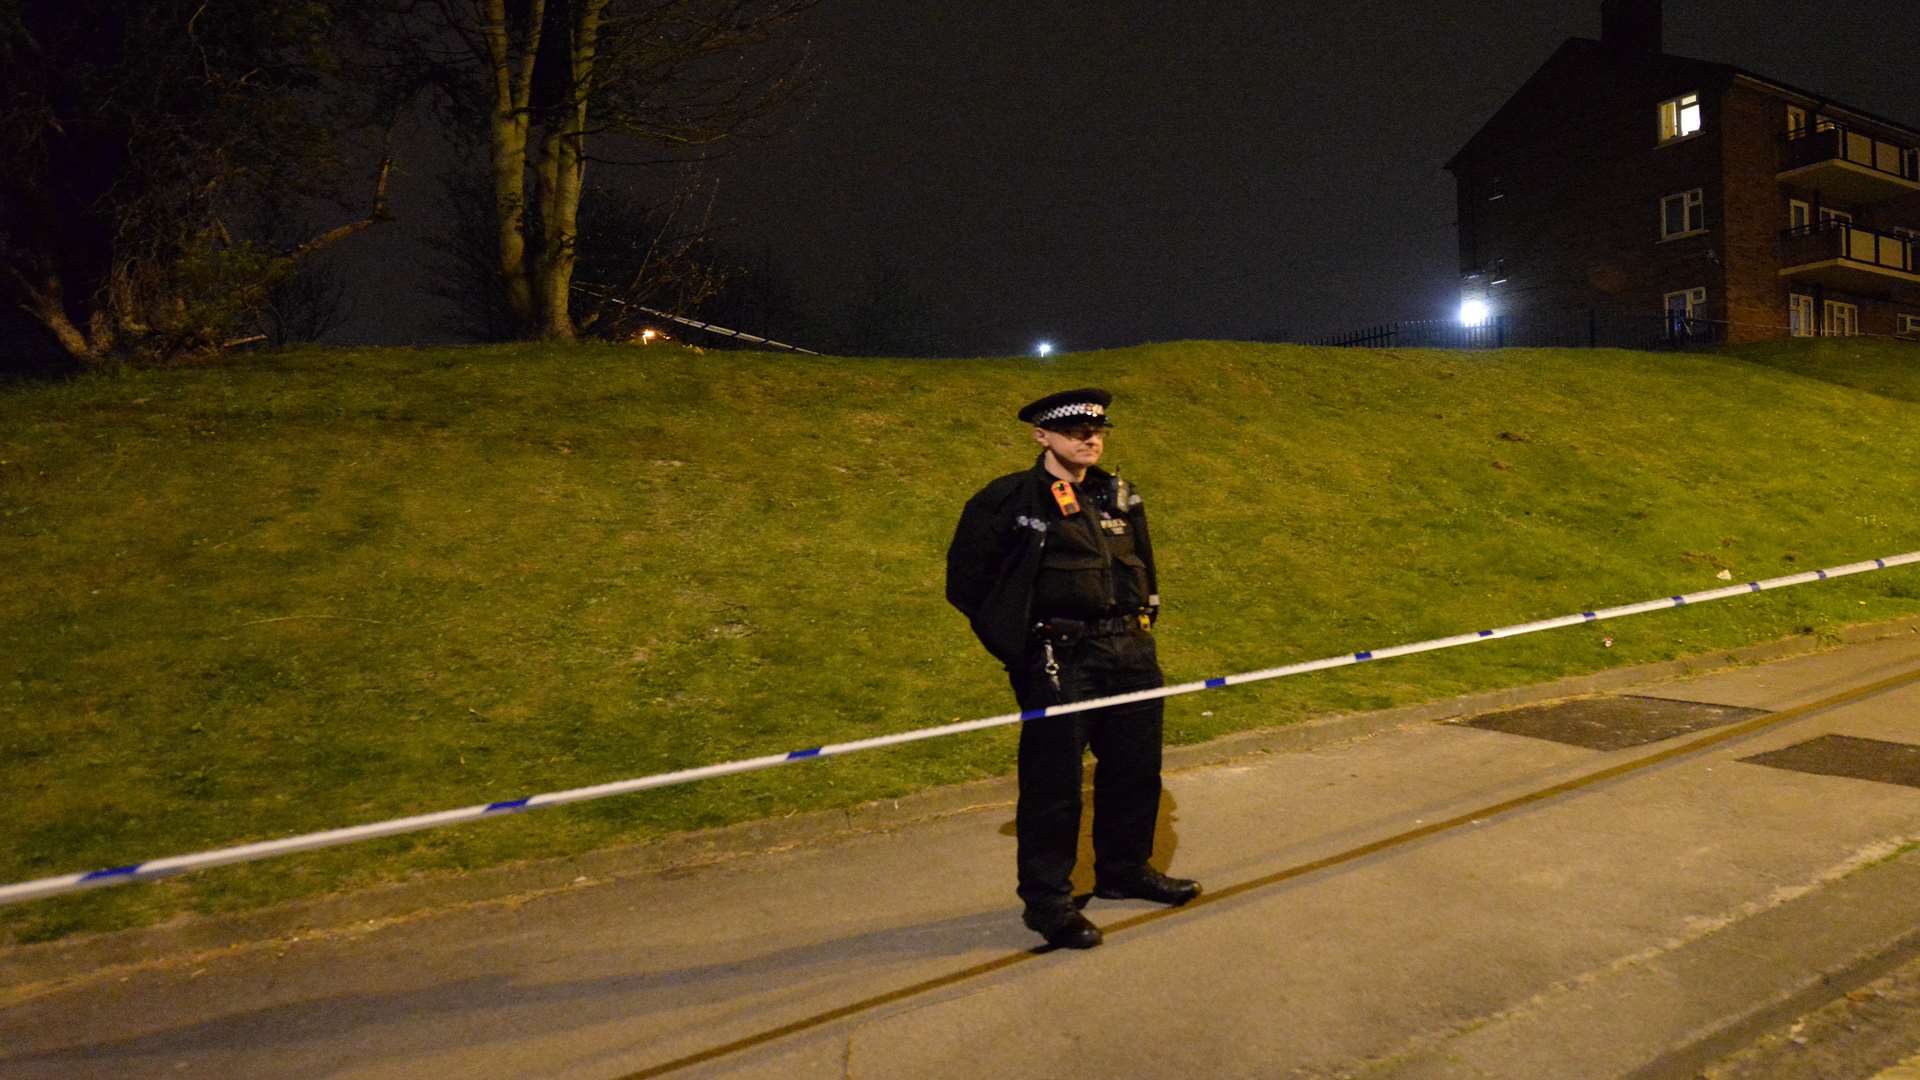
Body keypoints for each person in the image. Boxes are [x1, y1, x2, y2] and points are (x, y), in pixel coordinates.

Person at [945, 387, 1201, 950]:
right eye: (1075, 431)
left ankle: (1124, 870)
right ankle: (1049, 903)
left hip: (1129, 653)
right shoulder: (1008, 499)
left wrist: (1144, 629)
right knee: (1053, 785)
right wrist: (1021, 650)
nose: (1090, 438)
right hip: (1060, 658)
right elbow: (967, 583)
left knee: (1135, 770)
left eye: (1097, 430)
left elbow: (1144, 569)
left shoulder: (1119, 495)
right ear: (1042, 436)